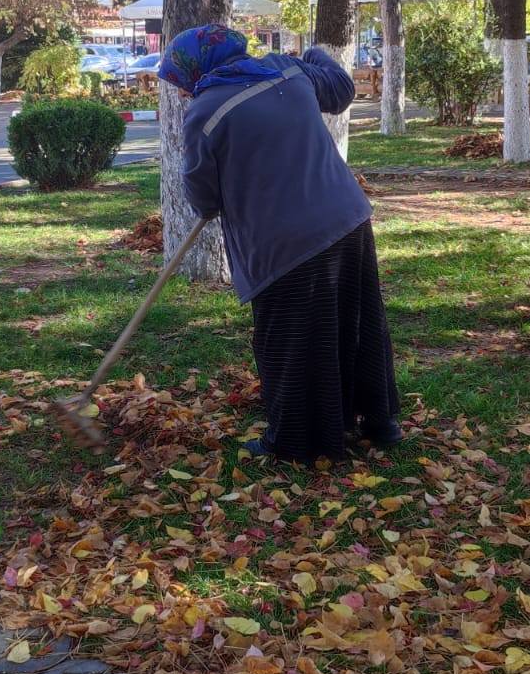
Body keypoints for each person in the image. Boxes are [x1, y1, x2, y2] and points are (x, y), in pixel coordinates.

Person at [160, 24, 401, 462]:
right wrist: (316, 52)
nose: (179, 92)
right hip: (347, 217)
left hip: (284, 241)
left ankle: (296, 441)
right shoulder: (288, 70)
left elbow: (203, 196)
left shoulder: (206, 112)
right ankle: (379, 423)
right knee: (356, 320)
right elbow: (341, 89)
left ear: (198, 69)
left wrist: (218, 196)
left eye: (179, 81)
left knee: (290, 338)